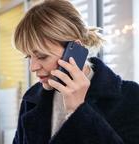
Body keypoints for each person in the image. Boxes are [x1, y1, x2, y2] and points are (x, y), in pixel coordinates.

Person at [12, 0, 139, 144]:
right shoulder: (32, 99)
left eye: (42, 56)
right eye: (29, 57)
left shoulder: (131, 97)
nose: (33, 67)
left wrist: (78, 110)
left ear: (75, 48)